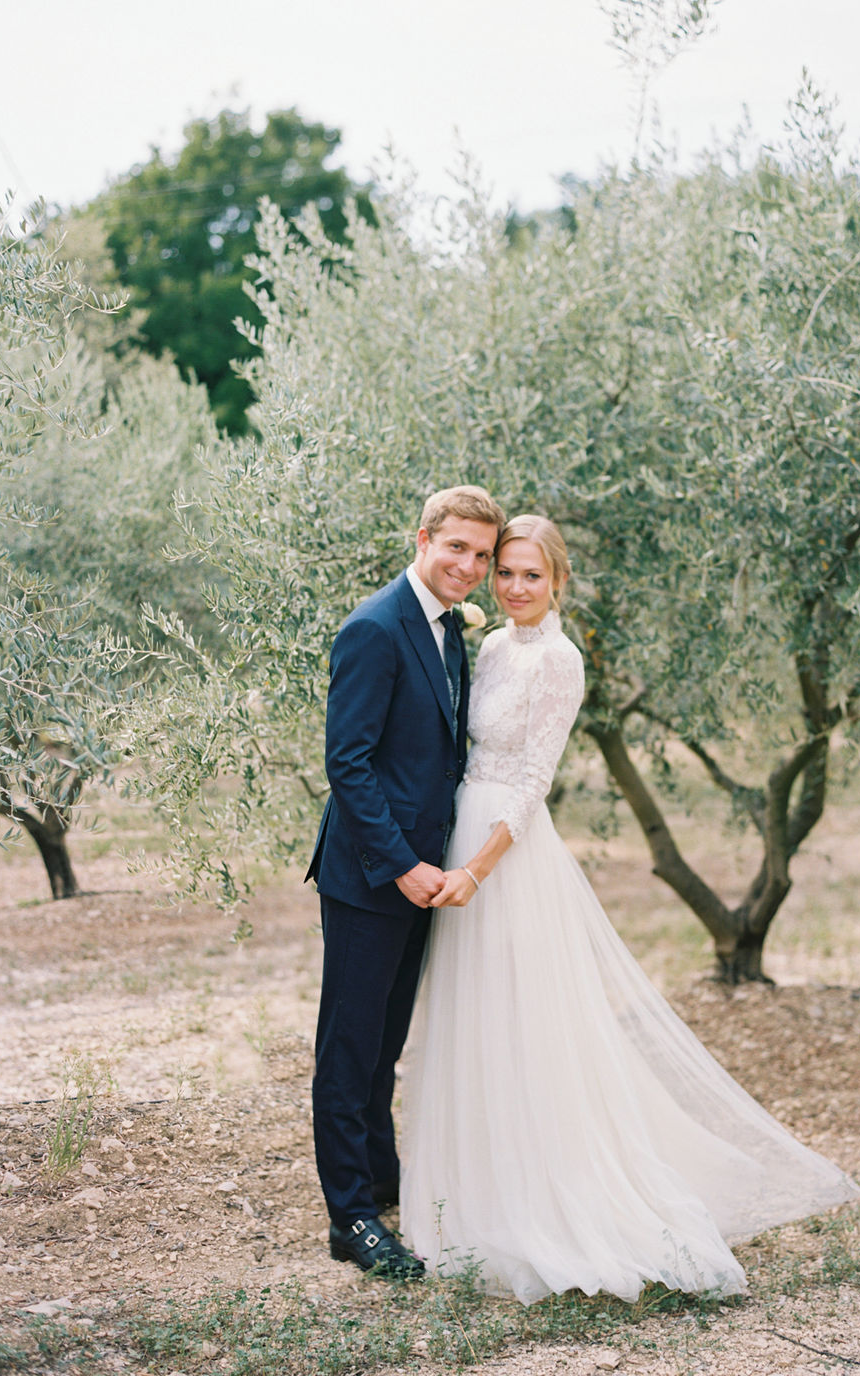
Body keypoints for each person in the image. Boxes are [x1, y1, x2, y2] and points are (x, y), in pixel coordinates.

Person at [399, 514, 860, 1303]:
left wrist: (476, 870)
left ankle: (550, 1198)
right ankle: (470, 1194)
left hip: (503, 855)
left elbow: (535, 781)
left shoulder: (560, 662)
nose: (512, 586)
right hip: (459, 834)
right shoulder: (494, 646)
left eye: (530, 576)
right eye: (503, 571)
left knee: (525, 1023)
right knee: (472, 1017)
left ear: (558, 582)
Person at [305, 484, 506, 1279]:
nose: (469, 565)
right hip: (370, 878)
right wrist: (405, 866)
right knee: (349, 1052)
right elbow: (347, 765)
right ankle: (349, 1218)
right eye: (456, 547)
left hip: (425, 874)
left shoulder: (450, 628)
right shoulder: (374, 628)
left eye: (482, 555)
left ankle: (381, 1184)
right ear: (423, 539)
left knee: (385, 1044)